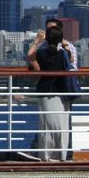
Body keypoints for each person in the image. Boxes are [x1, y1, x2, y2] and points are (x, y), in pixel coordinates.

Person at [26, 25, 71, 161]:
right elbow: (71, 60)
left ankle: (45, 155)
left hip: (44, 91)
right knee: (61, 124)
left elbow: (29, 56)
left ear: (47, 39)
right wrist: (65, 44)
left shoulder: (41, 53)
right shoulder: (63, 54)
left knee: (45, 124)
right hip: (61, 91)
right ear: (59, 39)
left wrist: (36, 41)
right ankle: (61, 154)